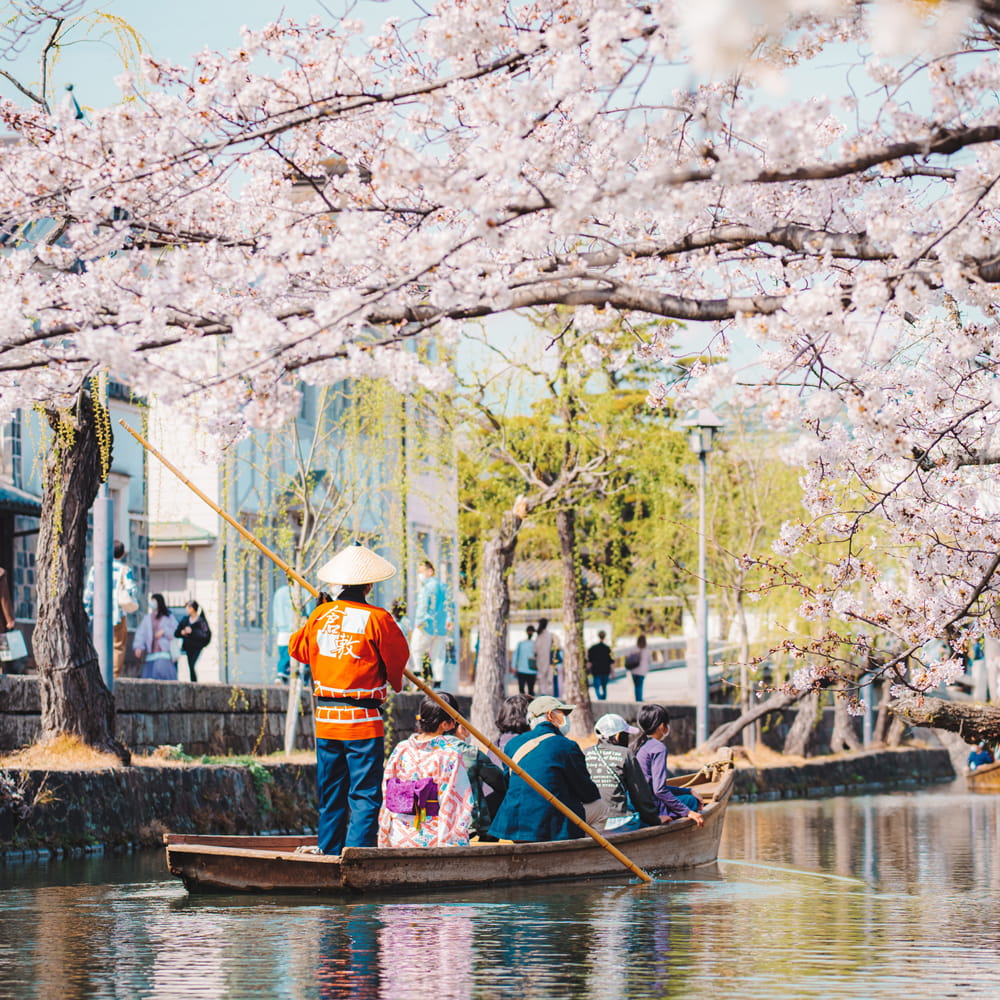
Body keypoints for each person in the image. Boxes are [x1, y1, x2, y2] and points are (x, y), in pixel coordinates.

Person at [289, 543, 410, 856]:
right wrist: (394, 681)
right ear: (369, 585)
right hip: (363, 722)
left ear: (340, 583)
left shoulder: (320, 615)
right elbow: (398, 659)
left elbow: (298, 650)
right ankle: (357, 854)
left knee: (331, 793)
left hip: (327, 722)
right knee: (365, 795)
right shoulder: (378, 618)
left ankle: (329, 852)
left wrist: (318, 612)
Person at [489, 695, 605, 842]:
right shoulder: (567, 745)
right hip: (550, 825)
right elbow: (588, 793)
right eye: (562, 714)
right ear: (550, 715)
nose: (566, 719)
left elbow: (509, 783)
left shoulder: (513, 744)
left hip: (515, 824)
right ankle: (582, 852)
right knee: (601, 808)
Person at [378, 692, 474, 848]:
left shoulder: (401, 749)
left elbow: (386, 791)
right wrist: (450, 842)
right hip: (431, 836)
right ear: (445, 724)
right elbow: (455, 799)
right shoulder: (449, 754)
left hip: (398, 833)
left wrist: (384, 832)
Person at [584, 713, 663, 834]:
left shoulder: (585, 753)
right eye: (626, 734)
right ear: (618, 735)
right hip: (618, 822)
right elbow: (641, 797)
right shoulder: (625, 753)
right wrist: (656, 820)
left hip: (591, 823)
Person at [631, 705, 704, 826]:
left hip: (637, 803)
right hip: (650, 807)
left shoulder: (636, 745)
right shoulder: (658, 748)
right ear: (661, 726)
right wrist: (688, 812)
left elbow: (653, 786)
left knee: (687, 796)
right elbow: (659, 790)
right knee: (692, 801)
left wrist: (688, 790)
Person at [84, 539, 138, 677]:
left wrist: (87, 611)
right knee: (118, 646)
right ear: (122, 555)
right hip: (118, 614)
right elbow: (132, 590)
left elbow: (89, 592)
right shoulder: (125, 570)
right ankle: (114, 675)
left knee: (98, 644)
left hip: (98, 615)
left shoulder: (96, 569)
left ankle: (98, 674)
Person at [409, 559, 455, 690]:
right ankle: (438, 684)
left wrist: (419, 621)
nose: (420, 575)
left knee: (416, 648)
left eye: (421, 571)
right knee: (438, 655)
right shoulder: (444, 587)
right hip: (441, 628)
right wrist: (449, 620)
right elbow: (450, 606)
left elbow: (423, 605)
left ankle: (418, 676)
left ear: (430, 571)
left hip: (427, 624)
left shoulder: (427, 587)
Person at [132, 593, 179, 680]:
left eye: (154, 601)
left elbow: (176, 631)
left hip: (164, 653)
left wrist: (164, 631)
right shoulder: (147, 618)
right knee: (149, 678)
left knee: (164, 678)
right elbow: (141, 633)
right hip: (151, 654)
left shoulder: (169, 617)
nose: (152, 603)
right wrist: (138, 647)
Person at [175, 600, 211, 683]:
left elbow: (205, 635)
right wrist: (182, 632)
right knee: (187, 669)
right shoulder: (185, 620)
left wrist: (192, 632)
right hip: (186, 649)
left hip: (197, 649)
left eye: (188, 608)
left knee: (194, 667)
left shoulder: (200, 621)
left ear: (192, 609)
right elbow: (176, 633)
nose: (186, 610)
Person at [272, 583, 296, 684]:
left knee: (283, 654)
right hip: (295, 628)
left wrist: (275, 626)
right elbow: (309, 610)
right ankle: (300, 678)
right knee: (297, 655)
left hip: (281, 628)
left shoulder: (279, 592)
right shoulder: (302, 592)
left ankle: (281, 673)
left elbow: (275, 610)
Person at [511, 624, 537, 696]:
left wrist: (514, 666)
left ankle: (525, 705)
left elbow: (515, 655)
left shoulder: (534, 643)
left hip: (528, 670)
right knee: (527, 690)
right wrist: (514, 666)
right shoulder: (522, 643)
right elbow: (516, 655)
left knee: (526, 690)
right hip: (525, 670)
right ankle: (527, 705)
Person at [587, 630, 613, 701]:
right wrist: (612, 672)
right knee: (604, 686)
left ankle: (599, 698)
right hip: (605, 670)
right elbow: (610, 660)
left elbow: (589, 660)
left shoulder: (593, 648)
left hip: (596, 670)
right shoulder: (607, 648)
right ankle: (603, 698)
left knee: (597, 686)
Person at [627, 633, 652, 702]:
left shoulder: (634, 649)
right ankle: (639, 699)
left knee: (635, 686)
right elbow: (650, 660)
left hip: (634, 670)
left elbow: (628, 658)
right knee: (640, 685)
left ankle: (637, 699)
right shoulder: (647, 650)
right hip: (642, 671)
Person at [534, 618, 556, 696]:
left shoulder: (538, 636)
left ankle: (543, 694)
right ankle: (548, 695)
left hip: (540, 660)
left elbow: (535, 650)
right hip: (549, 660)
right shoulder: (550, 635)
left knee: (542, 679)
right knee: (549, 679)